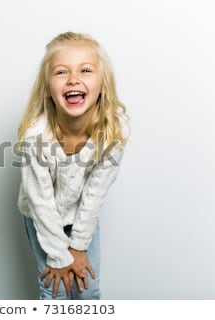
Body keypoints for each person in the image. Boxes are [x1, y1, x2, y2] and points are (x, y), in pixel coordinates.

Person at [16, 31, 129, 300]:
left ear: (103, 84)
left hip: (81, 213)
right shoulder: (36, 137)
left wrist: (78, 246)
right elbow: (40, 200)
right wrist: (58, 255)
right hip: (42, 215)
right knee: (56, 288)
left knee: (87, 289)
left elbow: (95, 194)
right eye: (61, 72)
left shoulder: (113, 131)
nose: (73, 79)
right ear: (47, 87)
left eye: (85, 70)